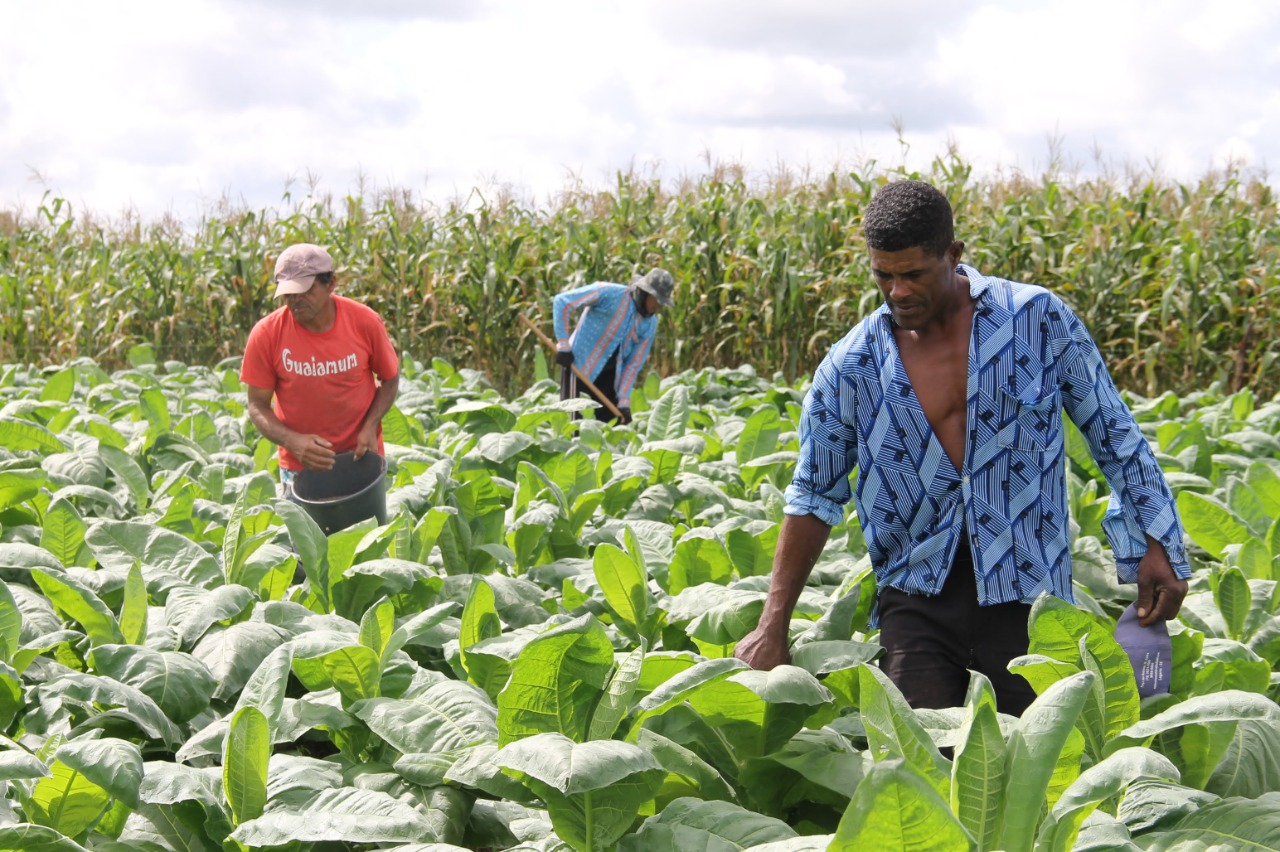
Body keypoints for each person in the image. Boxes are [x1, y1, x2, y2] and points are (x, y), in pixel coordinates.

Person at [734, 180, 1190, 716]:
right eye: (883, 275)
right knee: (922, 765)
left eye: (913, 274)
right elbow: (813, 494)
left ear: (953, 256)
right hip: (916, 600)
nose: (897, 291)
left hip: (1028, 592)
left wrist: (1158, 540)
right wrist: (772, 624)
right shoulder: (851, 366)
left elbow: (1113, 433)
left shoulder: (1037, 321)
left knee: (1032, 770)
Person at [240, 243, 400, 487]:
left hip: (361, 457)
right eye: (288, 293)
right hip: (300, 468)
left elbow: (390, 378)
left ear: (331, 284)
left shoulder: (364, 322)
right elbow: (257, 405)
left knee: (370, 527)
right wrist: (292, 441)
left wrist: (370, 426)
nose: (295, 300)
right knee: (303, 526)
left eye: (305, 290)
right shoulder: (267, 334)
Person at [552, 269, 674, 424]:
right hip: (578, 367)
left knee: (611, 429)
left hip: (609, 377)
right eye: (656, 299)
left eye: (662, 302)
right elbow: (562, 302)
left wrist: (624, 401)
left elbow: (633, 365)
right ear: (645, 293)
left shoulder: (649, 324)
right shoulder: (609, 293)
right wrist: (563, 345)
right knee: (571, 425)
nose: (658, 306)